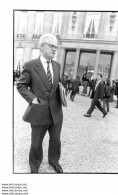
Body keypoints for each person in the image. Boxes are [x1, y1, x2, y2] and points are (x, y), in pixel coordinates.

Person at [17, 34, 63, 173]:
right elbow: (21, 85)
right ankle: (34, 165)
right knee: (36, 142)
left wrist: (61, 88)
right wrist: (32, 99)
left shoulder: (57, 65)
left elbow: (55, 83)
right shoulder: (31, 65)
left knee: (56, 140)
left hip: (56, 111)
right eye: (52, 46)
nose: (55, 49)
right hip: (39, 110)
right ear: (42, 46)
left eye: (56, 47)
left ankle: (54, 161)